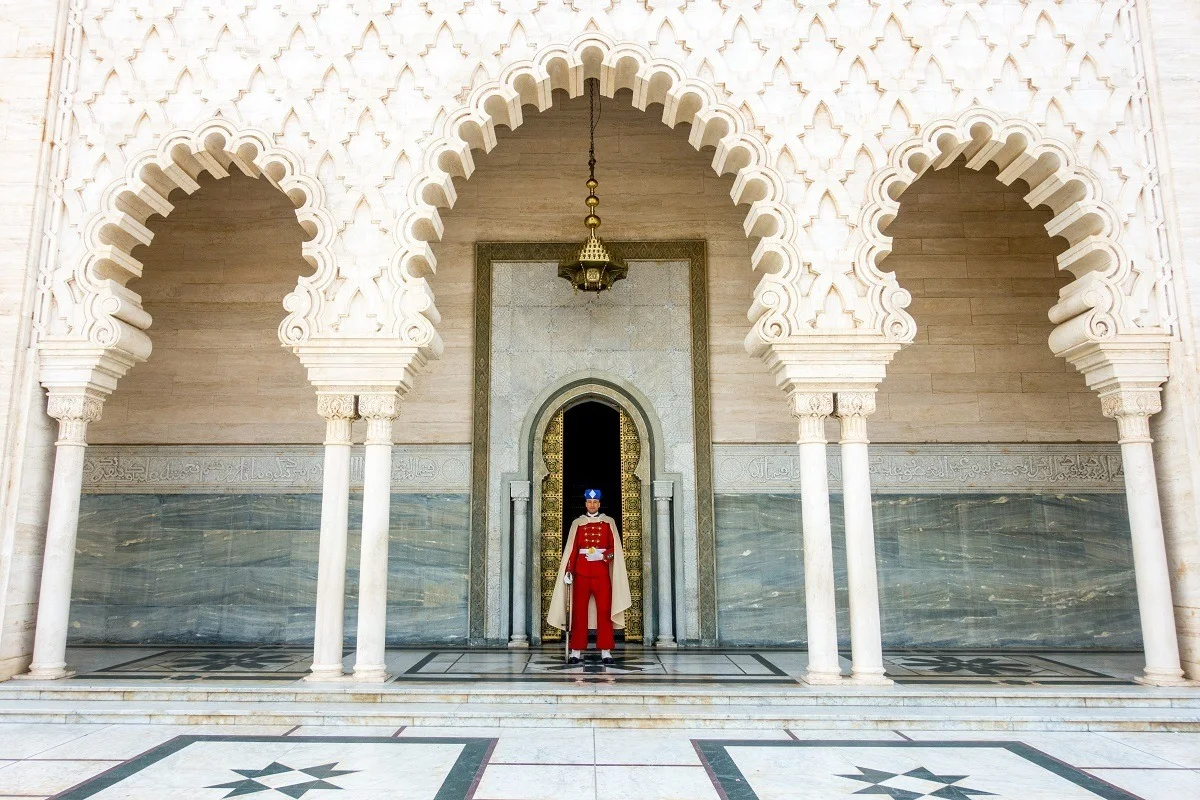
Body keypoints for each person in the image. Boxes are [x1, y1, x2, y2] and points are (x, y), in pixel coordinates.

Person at [546, 488, 632, 665]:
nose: (592, 505)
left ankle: (606, 651)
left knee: (604, 611)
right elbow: (572, 550)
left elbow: (614, 550)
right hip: (582, 572)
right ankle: (576, 650)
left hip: (601, 572)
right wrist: (569, 571)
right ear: (585, 503)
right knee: (578, 613)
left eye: (595, 502)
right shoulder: (577, 523)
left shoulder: (609, 522)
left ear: (599, 503)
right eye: (589, 502)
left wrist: (602, 556)